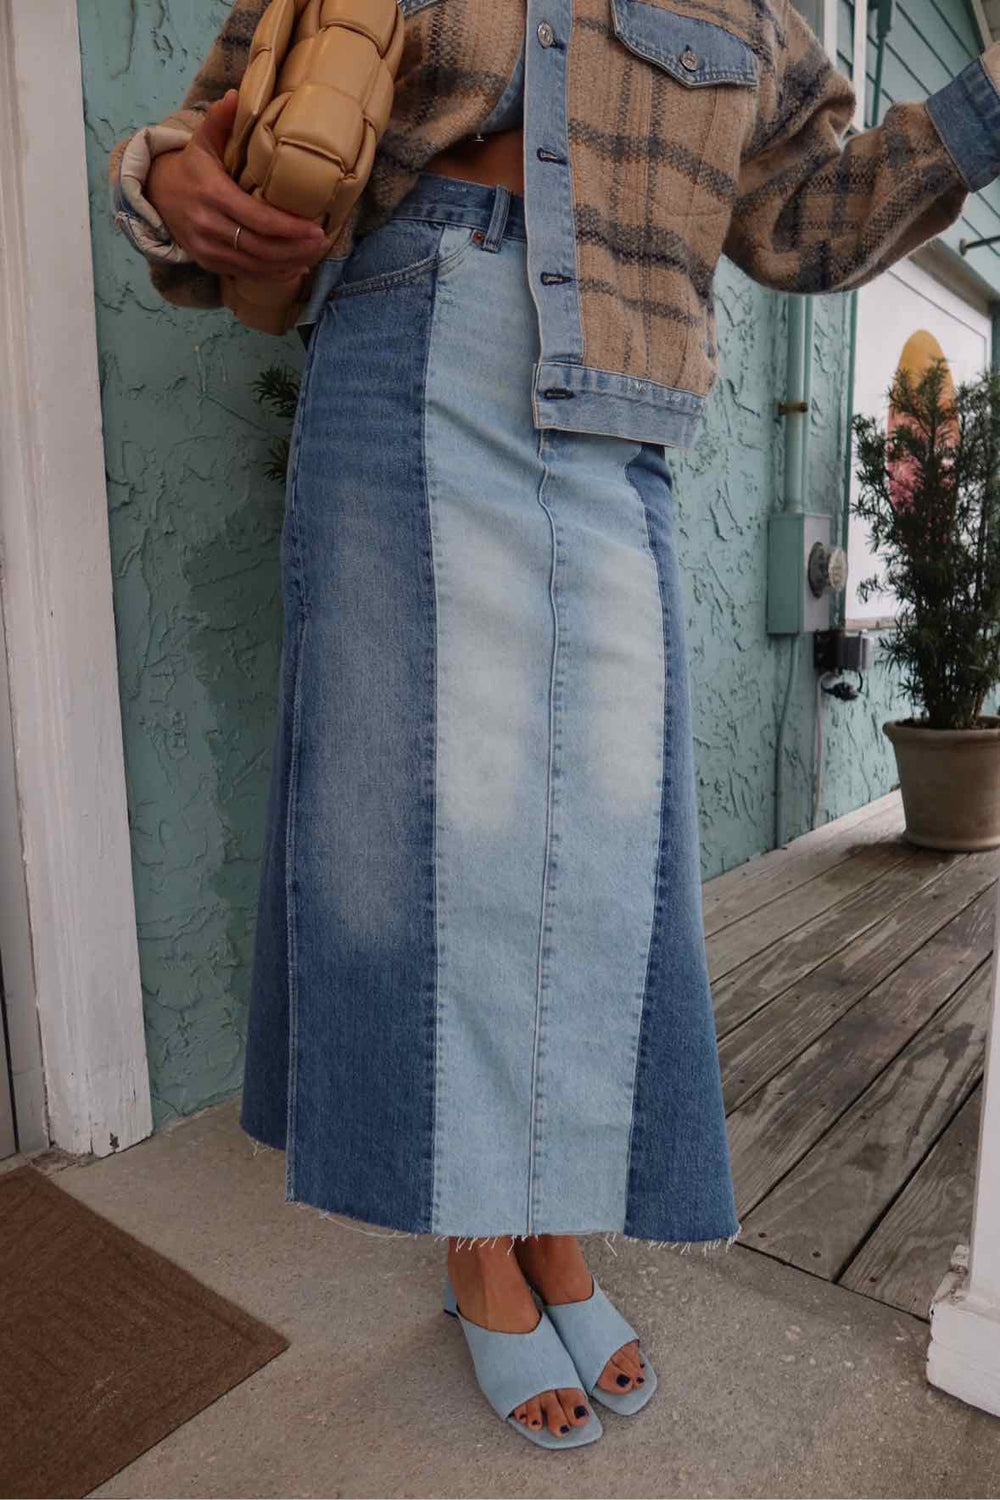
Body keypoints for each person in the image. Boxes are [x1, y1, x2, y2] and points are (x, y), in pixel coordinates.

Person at [109, 0, 1000, 1451]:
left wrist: (982, 105)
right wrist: (168, 182)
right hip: (402, 357)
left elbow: (805, 226)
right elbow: (210, 125)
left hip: (619, 409)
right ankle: (481, 1241)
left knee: (598, 851)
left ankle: (555, 1216)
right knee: (430, 835)